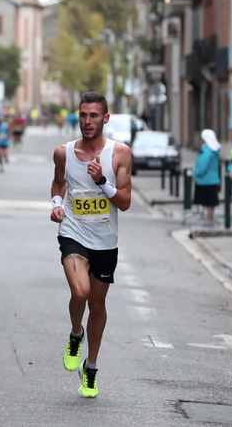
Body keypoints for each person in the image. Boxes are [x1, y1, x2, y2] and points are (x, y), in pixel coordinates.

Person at [50, 92, 132, 398]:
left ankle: (91, 367)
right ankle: (75, 334)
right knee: (80, 292)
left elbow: (124, 202)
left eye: (94, 116)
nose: (87, 121)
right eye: (83, 115)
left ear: (105, 118)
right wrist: (58, 203)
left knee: (97, 305)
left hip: (105, 242)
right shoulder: (63, 152)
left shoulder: (119, 154)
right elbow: (59, 182)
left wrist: (103, 182)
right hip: (73, 233)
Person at [193, 129, 221, 227]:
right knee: (210, 202)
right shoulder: (213, 149)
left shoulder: (208, 151)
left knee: (208, 201)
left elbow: (203, 164)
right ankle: (210, 219)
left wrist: (197, 172)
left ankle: (209, 220)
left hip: (205, 179)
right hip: (211, 179)